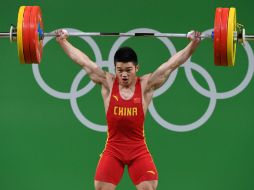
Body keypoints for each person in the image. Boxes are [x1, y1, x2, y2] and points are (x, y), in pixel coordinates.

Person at [55, 29, 201, 190]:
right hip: (113, 149)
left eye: (128, 70)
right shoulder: (108, 83)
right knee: (101, 187)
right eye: (120, 70)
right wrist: (63, 41)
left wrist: (193, 43)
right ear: (115, 69)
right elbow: (83, 61)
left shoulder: (146, 85)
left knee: (149, 187)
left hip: (138, 149)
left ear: (136, 68)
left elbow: (173, 64)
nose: (124, 74)